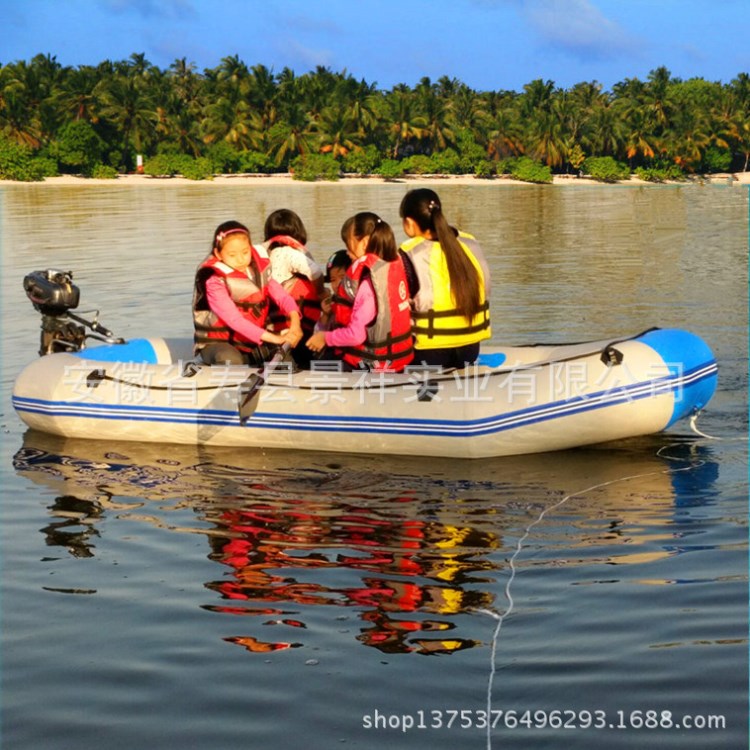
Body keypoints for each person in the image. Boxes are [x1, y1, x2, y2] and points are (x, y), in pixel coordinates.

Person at [306, 212, 413, 372]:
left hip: (372, 365)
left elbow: (356, 335)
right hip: (399, 360)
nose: (347, 252)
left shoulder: (368, 283)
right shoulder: (392, 266)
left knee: (315, 359)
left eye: (349, 244)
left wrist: (325, 338)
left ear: (364, 243)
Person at [399, 188, 491, 368]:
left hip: (428, 352)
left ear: (409, 223)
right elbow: (487, 288)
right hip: (471, 349)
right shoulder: (469, 242)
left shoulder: (408, 253)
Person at [193, 220, 303, 366]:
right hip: (219, 343)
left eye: (245, 252)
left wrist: (295, 324)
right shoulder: (214, 281)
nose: (240, 259)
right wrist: (275, 338)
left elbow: (282, 297)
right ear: (218, 254)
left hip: (250, 342)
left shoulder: (259, 272)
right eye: (232, 255)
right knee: (230, 359)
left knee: (285, 361)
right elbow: (235, 321)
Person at [261, 209, 325, 368]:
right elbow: (315, 271)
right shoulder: (288, 252)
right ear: (299, 231)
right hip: (296, 328)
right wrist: (321, 292)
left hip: (273, 326)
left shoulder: (265, 254)